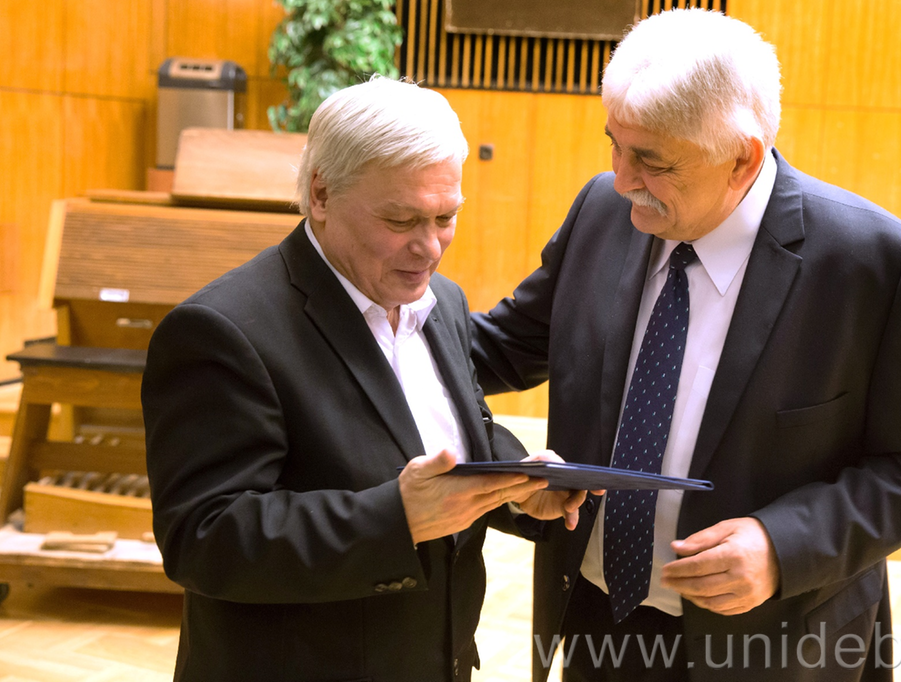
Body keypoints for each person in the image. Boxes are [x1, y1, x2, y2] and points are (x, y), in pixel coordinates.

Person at [471, 9, 901, 682]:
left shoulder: (874, 263)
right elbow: (498, 348)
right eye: (614, 144)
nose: (621, 178)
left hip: (773, 648)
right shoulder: (602, 211)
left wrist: (783, 546)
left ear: (742, 159)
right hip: (594, 622)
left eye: (650, 160)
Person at [142, 76, 586, 682]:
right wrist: (395, 519)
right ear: (321, 193)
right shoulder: (222, 330)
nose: (430, 248)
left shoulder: (443, 301)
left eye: (446, 217)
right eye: (401, 219)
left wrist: (514, 485)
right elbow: (203, 538)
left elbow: (450, 431)